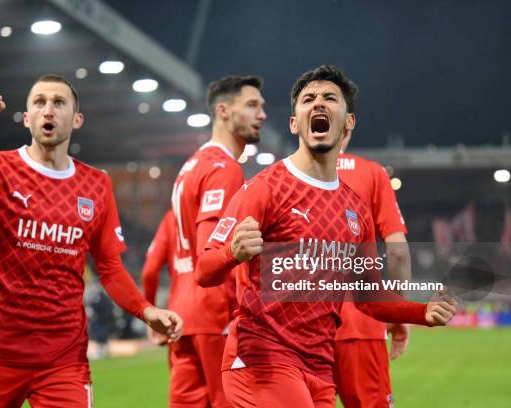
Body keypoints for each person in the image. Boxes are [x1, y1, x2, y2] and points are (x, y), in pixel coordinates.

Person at [196, 65, 457, 408]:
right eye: (308, 99)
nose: (318, 103)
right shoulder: (263, 189)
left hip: (319, 369)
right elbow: (204, 269)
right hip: (262, 358)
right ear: (294, 123)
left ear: (348, 122)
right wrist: (232, 252)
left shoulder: (356, 209)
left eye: (330, 98)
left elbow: (369, 297)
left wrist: (421, 312)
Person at [0, 75, 183, 407]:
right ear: (27, 118)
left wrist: (146, 311)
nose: (48, 110)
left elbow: (110, 268)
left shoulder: (96, 185)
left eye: (59, 103)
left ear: (76, 118)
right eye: (39, 102)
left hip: (63, 359)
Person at [167, 75, 266, 408]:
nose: (261, 114)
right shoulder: (224, 168)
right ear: (223, 111)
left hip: (183, 312)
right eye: (252, 105)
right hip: (213, 314)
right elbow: (212, 251)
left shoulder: (191, 165)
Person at [334, 133, 411, 407]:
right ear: (349, 125)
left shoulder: (277, 177)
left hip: (299, 328)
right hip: (359, 321)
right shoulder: (371, 173)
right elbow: (398, 252)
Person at [141, 209, 177, 346]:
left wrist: (150, 312)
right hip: (216, 313)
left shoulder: (171, 218)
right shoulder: (225, 210)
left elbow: (149, 272)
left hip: (177, 316)